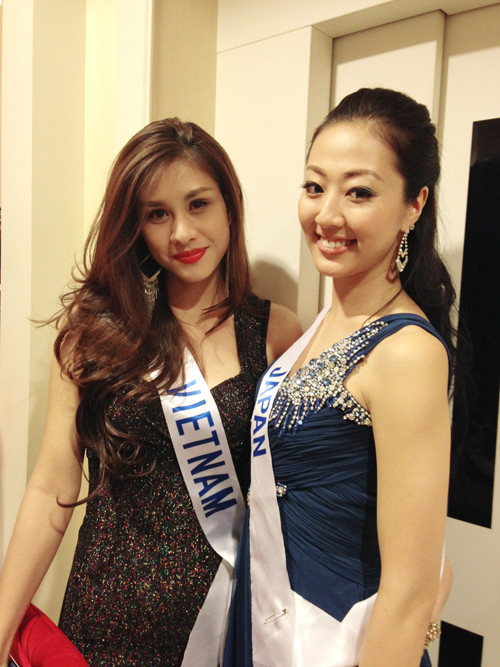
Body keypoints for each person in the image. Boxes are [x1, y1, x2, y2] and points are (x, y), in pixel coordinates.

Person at [0, 118, 301, 666]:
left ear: (229, 206)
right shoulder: (95, 332)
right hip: (106, 624)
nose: (181, 232)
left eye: (198, 204)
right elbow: (50, 488)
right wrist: (0, 625)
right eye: (157, 214)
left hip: (227, 624)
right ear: (135, 226)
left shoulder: (277, 333)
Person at [223, 88, 455, 667]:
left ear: (414, 204)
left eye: (359, 192)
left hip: (339, 643)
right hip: (271, 619)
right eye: (314, 186)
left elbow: (410, 592)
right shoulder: (324, 322)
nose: (327, 215)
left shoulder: (406, 352)